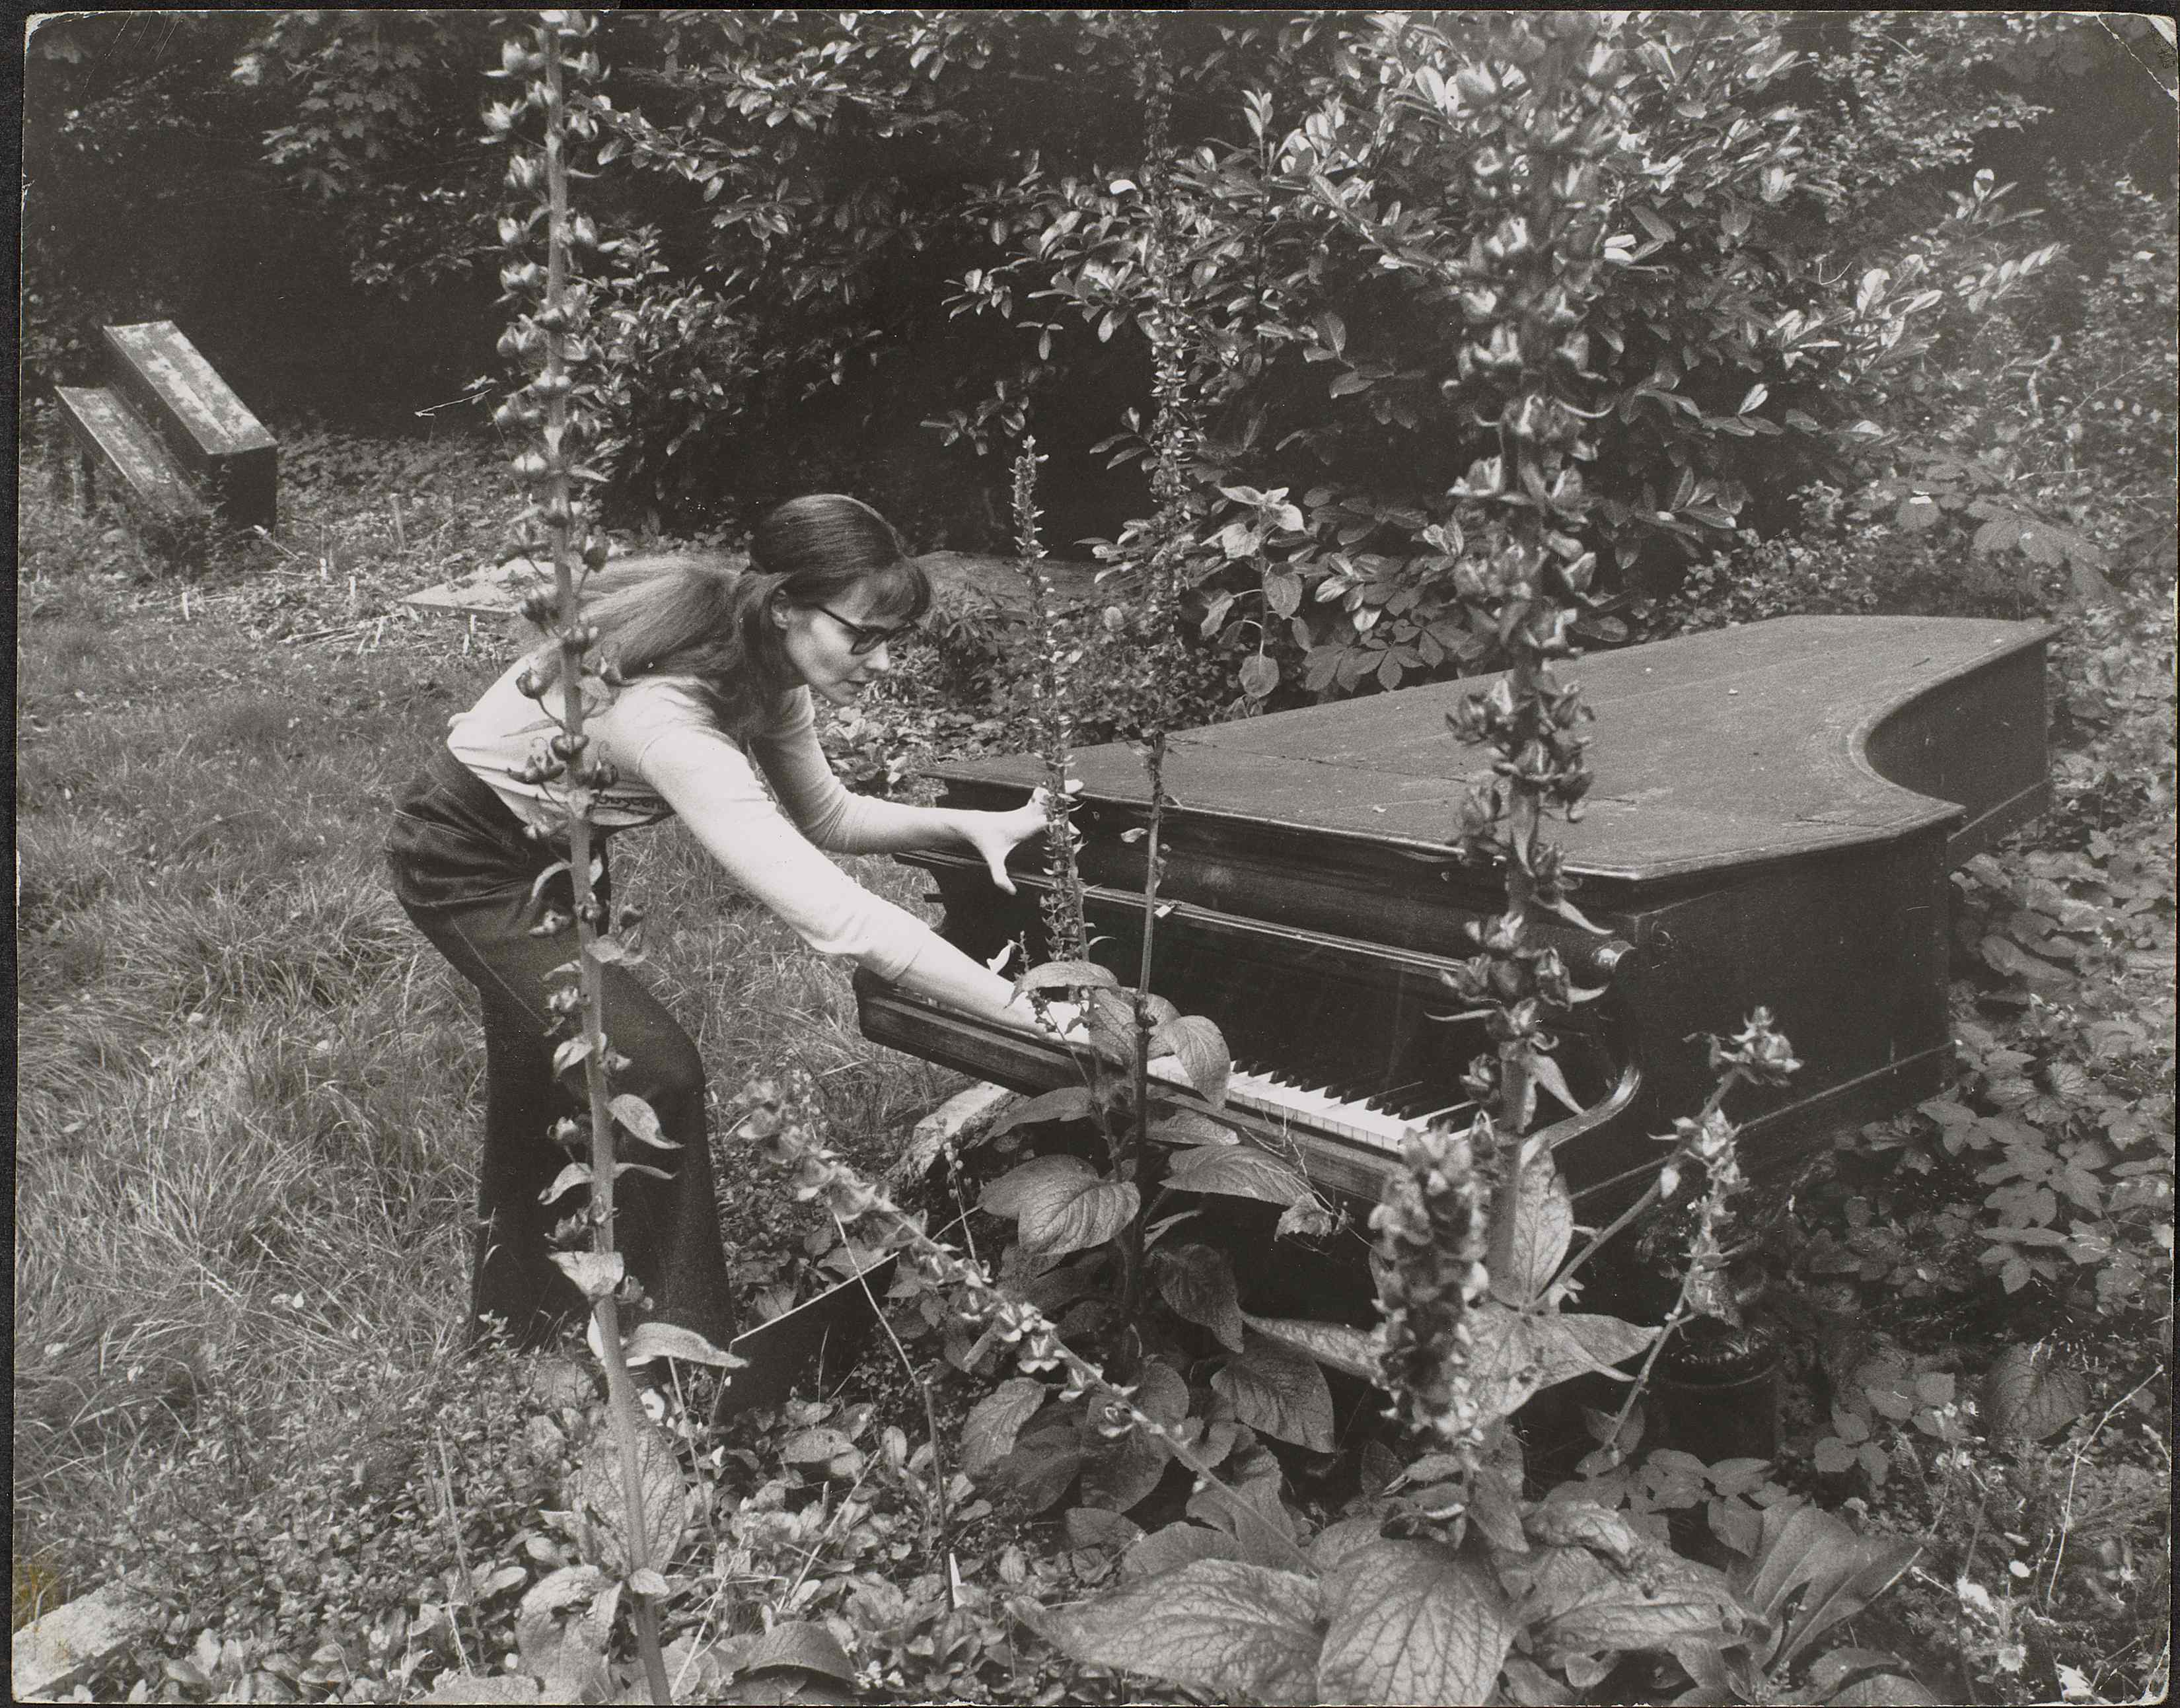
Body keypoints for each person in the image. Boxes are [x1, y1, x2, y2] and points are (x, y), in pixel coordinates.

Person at [385, 495, 1051, 1355]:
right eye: (865, 635)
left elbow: (830, 816)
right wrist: (1032, 1016)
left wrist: (964, 826)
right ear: (787, 606)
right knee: (654, 1070)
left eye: (895, 639)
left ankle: (514, 1329)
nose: (881, 663)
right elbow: (841, 920)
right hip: (464, 859)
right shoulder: (672, 714)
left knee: (547, 1075)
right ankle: (682, 1368)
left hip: (562, 850)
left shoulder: (767, 666)